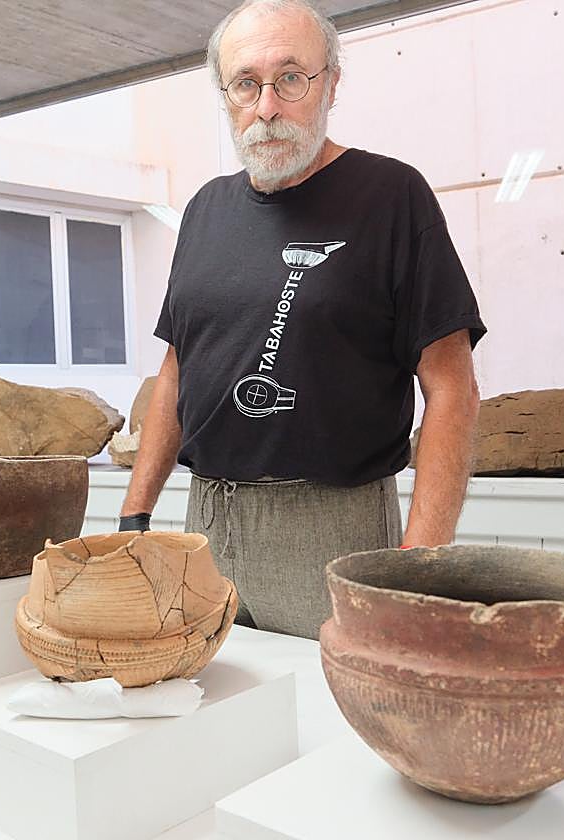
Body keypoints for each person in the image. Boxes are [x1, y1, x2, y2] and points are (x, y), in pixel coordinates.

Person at [118, 0, 486, 640]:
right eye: (246, 84)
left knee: (345, 724)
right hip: (204, 527)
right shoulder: (205, 210)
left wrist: (418, 565)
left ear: (331, 85)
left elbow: (452, 388)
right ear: (226, 95)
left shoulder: (392, 197)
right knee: (211, 714)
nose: (267, 107)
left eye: (291, 78)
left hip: (334, 530)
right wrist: (134, 519)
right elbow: (177, 372)